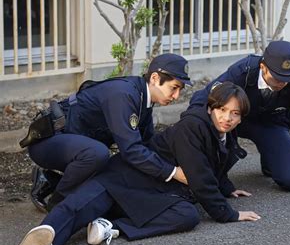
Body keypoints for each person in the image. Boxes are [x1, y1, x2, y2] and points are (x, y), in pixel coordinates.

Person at [12, 82, 260, 245]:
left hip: (153, 194)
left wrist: (226, 187)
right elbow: (201, 178)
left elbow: (216, 166)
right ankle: (42, 243)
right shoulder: (193, 127)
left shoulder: (225, 133)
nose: (228, 117)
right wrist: (229, 214)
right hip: (122, 178)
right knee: (77, 208)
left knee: (187, 216)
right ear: (210, 108)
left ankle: (110, 227)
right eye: (222, 110)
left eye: (235, 113)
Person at [22, 53, 193, 212]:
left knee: (112, 168)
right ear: (155, 78)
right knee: (98, 155)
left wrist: (184, 163)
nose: (177, 96)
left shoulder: (143, 99)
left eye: (180, 90)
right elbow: (132, 150)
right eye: (174, 88)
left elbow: (148, 143)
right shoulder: (124, 94)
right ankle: (58, 203)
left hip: (74, 146)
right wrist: (172, 172)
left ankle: (49, 181)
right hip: (46, 143)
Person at [189, 41, 290, 197]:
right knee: (212, 131)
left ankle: (270, 161)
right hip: (236, 123)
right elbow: (205, 98)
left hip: (271, 125)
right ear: (263, 67)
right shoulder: (242, 72)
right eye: (278, 77)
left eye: (287, 78)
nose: (283, 82)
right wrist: (188, 132)